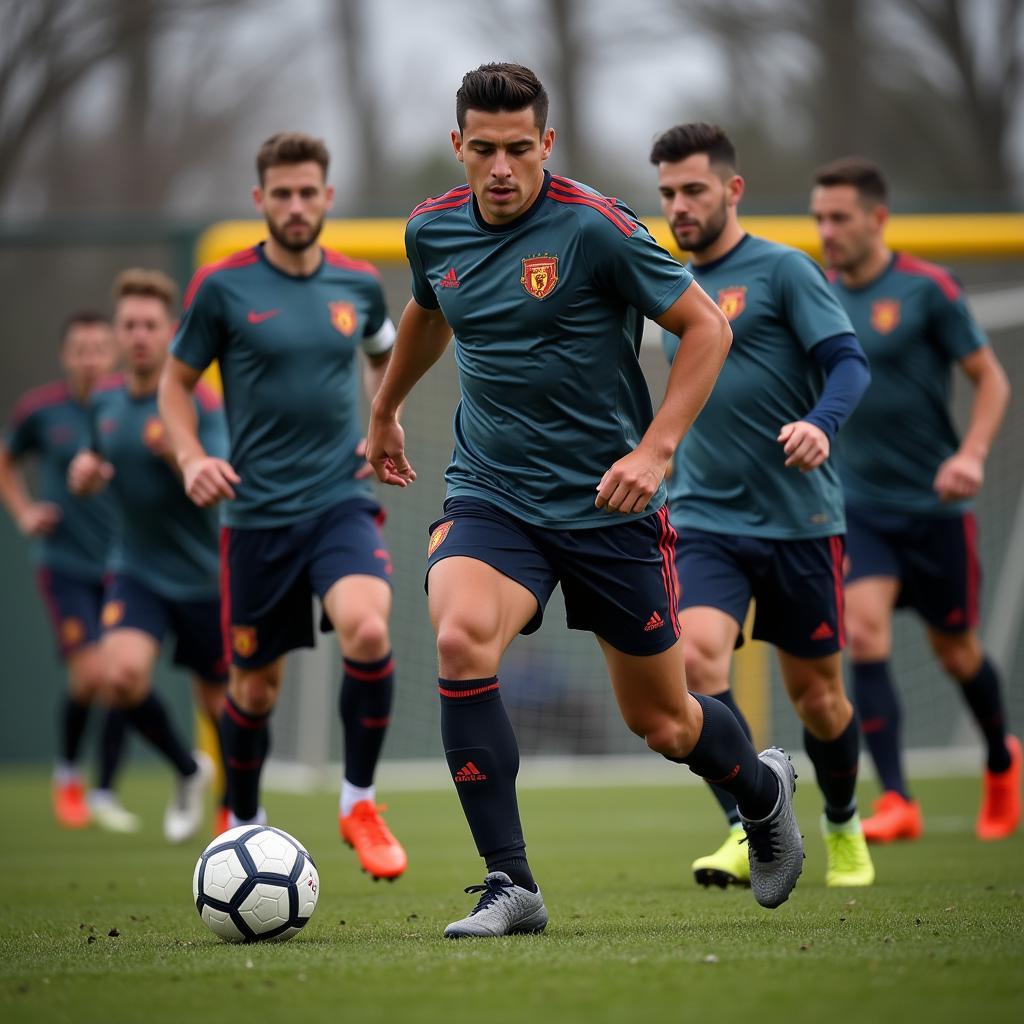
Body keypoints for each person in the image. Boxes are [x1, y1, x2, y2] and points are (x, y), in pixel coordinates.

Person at [367, 62, 805, 938]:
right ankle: (511, 884)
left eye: (518, 149)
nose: (500, 167)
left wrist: (656, 449)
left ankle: (760, 791)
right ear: (459, 146)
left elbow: (706, 327)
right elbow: (427, 310)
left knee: (666, 720)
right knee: (459, 637)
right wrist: (383, 410)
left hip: (611, 506)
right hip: (492, 491)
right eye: (482, 149)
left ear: (546, 145)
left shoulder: (596, 227)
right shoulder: (432, 230)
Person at [158, 132, 407, 880]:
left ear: (328, 199)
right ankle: (243, 811)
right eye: (282, 193)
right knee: (254, 691)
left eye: (309, 193)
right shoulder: (222, 288)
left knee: (368, 627)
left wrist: (381, 417)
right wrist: (192, 456)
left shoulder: (358, 286)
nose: (296, 206)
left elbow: (384, 355)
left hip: (339, 500)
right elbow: (174, 385)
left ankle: (358, 802)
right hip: (256, 518)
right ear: (259, 199)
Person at [651, 123, 875, 890]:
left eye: (694, 191)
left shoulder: (783, 271)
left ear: (731, 190)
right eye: (668, 194)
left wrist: (820, 423)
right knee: (695, 662)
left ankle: (842, 821)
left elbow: (848, 363)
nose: (680, 206)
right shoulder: (668, 282)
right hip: (705, 519)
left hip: (800, 523)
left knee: (819, 700)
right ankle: (754, 823)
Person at [810, 157, 1018, 842]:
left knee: (955, 652)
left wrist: (972, 454)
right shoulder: (819, 294)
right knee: (862, 632)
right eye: (818, 218)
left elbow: (991, 382)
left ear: (877, 218)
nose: (826, 230)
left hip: (934, 506)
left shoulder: (929, 289)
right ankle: (897, 799)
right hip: (858, 504)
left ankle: (999, 759)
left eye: (839, 217)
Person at [69, 269, 226, 842]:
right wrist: (84, 475)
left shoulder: (196, 402)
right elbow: (94, 462)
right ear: (117, 332)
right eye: (129, 324)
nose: (138, 335)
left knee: (224, 710)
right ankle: (187, 771)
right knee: (122, 677)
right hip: (135, 569)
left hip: (205, 577)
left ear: (171, 333)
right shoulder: (104, 400)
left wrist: (178, 456)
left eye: (149, 325)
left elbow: (221, 478)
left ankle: (240, 816)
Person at [0, 312, 137, 832]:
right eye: (80, 349)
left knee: (123, 674)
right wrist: (24, 512)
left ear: (115, 353)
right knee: (92, 676)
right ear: (66, 356)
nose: (90, 359)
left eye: (100, 348)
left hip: (126, 563)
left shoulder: (130, 406)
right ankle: (69, 777)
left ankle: (104, 791)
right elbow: (6, 459)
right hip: (65, 564)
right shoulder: (42, 411)